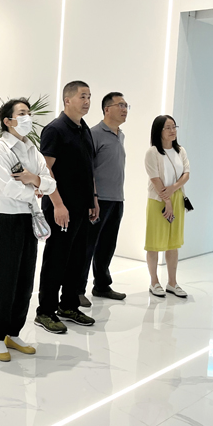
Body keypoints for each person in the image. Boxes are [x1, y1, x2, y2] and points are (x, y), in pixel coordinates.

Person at [0, 98, 56, 361]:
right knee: (5, 279)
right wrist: (35, 189)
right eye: (22, 113)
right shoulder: (0, 149)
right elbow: (6, 186)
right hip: (8, 219)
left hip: (29, 219)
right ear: (8, 121)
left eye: (29, 113)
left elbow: (50, 182)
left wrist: (34, 179)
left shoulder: (32, 149)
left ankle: (13, 333)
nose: (28, 118)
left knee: (25, 279)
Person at [35, 80, 99, 334]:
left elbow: (88, 168)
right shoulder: (55, 129)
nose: (87, 101)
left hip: (82, 207)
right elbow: (46, 170)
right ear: (67, 100)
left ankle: (69, 306)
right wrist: (58, 204)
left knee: (77, 258)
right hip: (61, 208)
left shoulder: (84, 128)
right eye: (83, 96)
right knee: (57, 259)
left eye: (89, 96)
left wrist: (93, 199)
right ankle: (45, 311)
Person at [81, 92, 129, 305]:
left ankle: (101, 285)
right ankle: (77, 290)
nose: (125, 109)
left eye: (126, 105)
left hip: (117, 199)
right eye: (121, 105)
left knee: (107, 246)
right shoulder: (94, 134)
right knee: (87, 246)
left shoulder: (121, 134)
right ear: (107, 109)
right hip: (98, 200)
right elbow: (88, 169)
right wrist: (93, 198)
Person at [144, 115, 190, 298]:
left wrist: (173, 189)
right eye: (168, 127)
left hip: (177, 197)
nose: (172, 131)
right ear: (159, 131)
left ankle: (172, 282)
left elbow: (186, 174)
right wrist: (167, 201)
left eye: (174, 127)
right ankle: (154, 282)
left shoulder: (180, 150)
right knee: (154, 242)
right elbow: (155, 179)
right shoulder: (153, 152)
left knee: (173, 243)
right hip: (158, 200)